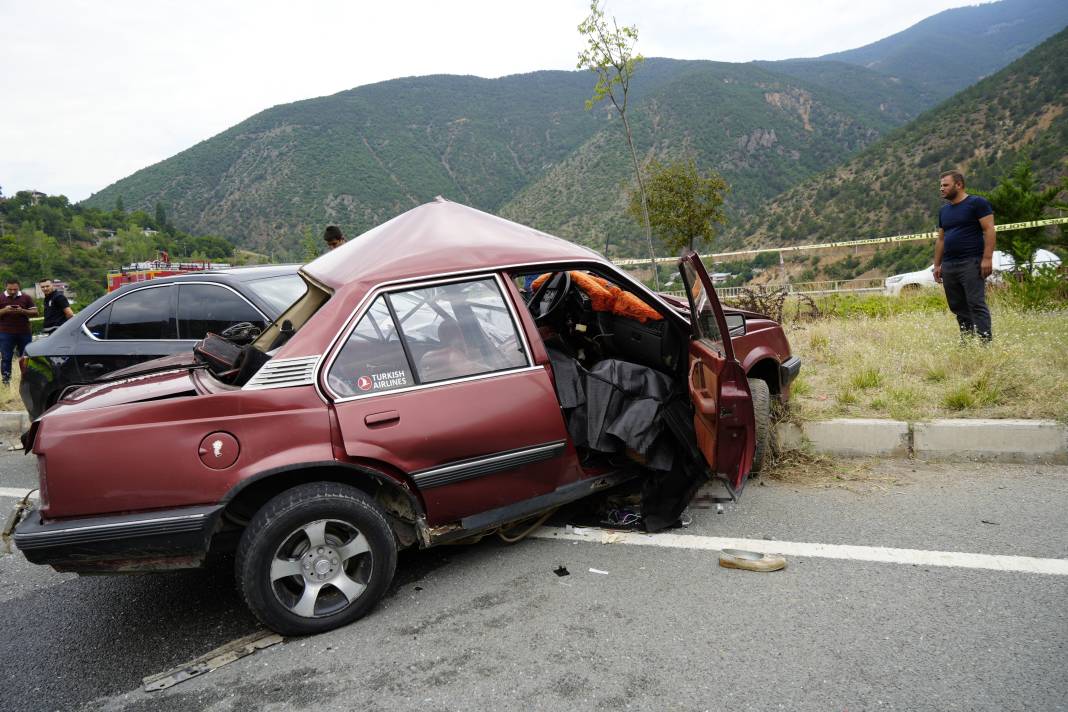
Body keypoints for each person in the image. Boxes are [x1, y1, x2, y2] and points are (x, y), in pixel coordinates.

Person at [933, 170, 995, 342]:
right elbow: (941, 239)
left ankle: (985, 343)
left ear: (958, 185)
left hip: (971, 262)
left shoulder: (977, 203)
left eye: (945, 185)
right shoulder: (944, 211)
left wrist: (987, 258)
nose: (941, 189)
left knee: (976, 303)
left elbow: (989, 229)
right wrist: (937, 265)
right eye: (941, 185)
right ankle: (966, 341)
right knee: (957, 306)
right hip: (949, 265)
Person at [0, 279, 38, 385]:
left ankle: (27, 380)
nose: (12, 291)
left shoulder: (26, 297)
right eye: (10, 289)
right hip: (5, 333)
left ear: (19, 287)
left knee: (26, 357)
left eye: (15, 289)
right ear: (5, 287)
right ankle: (6, 381)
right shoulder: (0, 297)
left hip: (24, 332)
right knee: (6, 358)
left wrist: (22, 310)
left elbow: (35, 312)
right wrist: (4, 310)